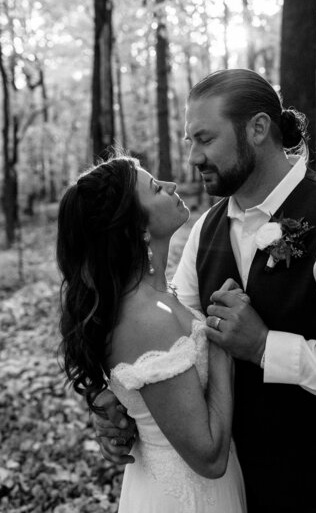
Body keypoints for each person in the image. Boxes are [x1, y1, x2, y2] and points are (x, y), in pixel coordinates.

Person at [94, 69, 316, 513]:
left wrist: (265, 349)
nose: (193, 157)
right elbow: (174, 345)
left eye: (205, 139)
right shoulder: (205, 230)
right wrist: (123, 404)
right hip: (243, 491)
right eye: (189, 142)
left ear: (257, 129)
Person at [56, 155, 247, 513]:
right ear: (134, 227)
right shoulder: (147, 318)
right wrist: (222, 347)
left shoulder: (159, 294)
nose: (172, 186)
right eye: (156, 188)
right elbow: (208, 458)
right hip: (189, 496)